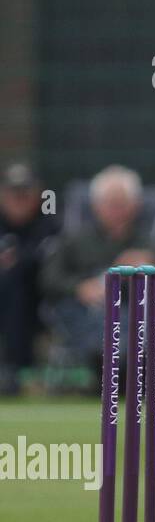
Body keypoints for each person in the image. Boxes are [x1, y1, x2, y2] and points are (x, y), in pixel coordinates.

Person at [41, 165, 155, 369]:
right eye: (110, 204)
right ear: (96, 205)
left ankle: (154, 365)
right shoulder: (74, 240)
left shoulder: (147, 243)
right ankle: (104, 364)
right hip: (85, 311)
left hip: (132, 311)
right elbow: (49, 278)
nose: (116, 210)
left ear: (135, 205)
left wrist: (150, 262)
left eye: (122, 203)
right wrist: (79, 287)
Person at [0, 163, 59, 392]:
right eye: (13, 193)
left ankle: (15, 368)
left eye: (25, 193)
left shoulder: (49, 221)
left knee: (16, 283)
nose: (18, 199)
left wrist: (18, 262)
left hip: (37, 301)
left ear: (37, 194)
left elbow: (45, 260)